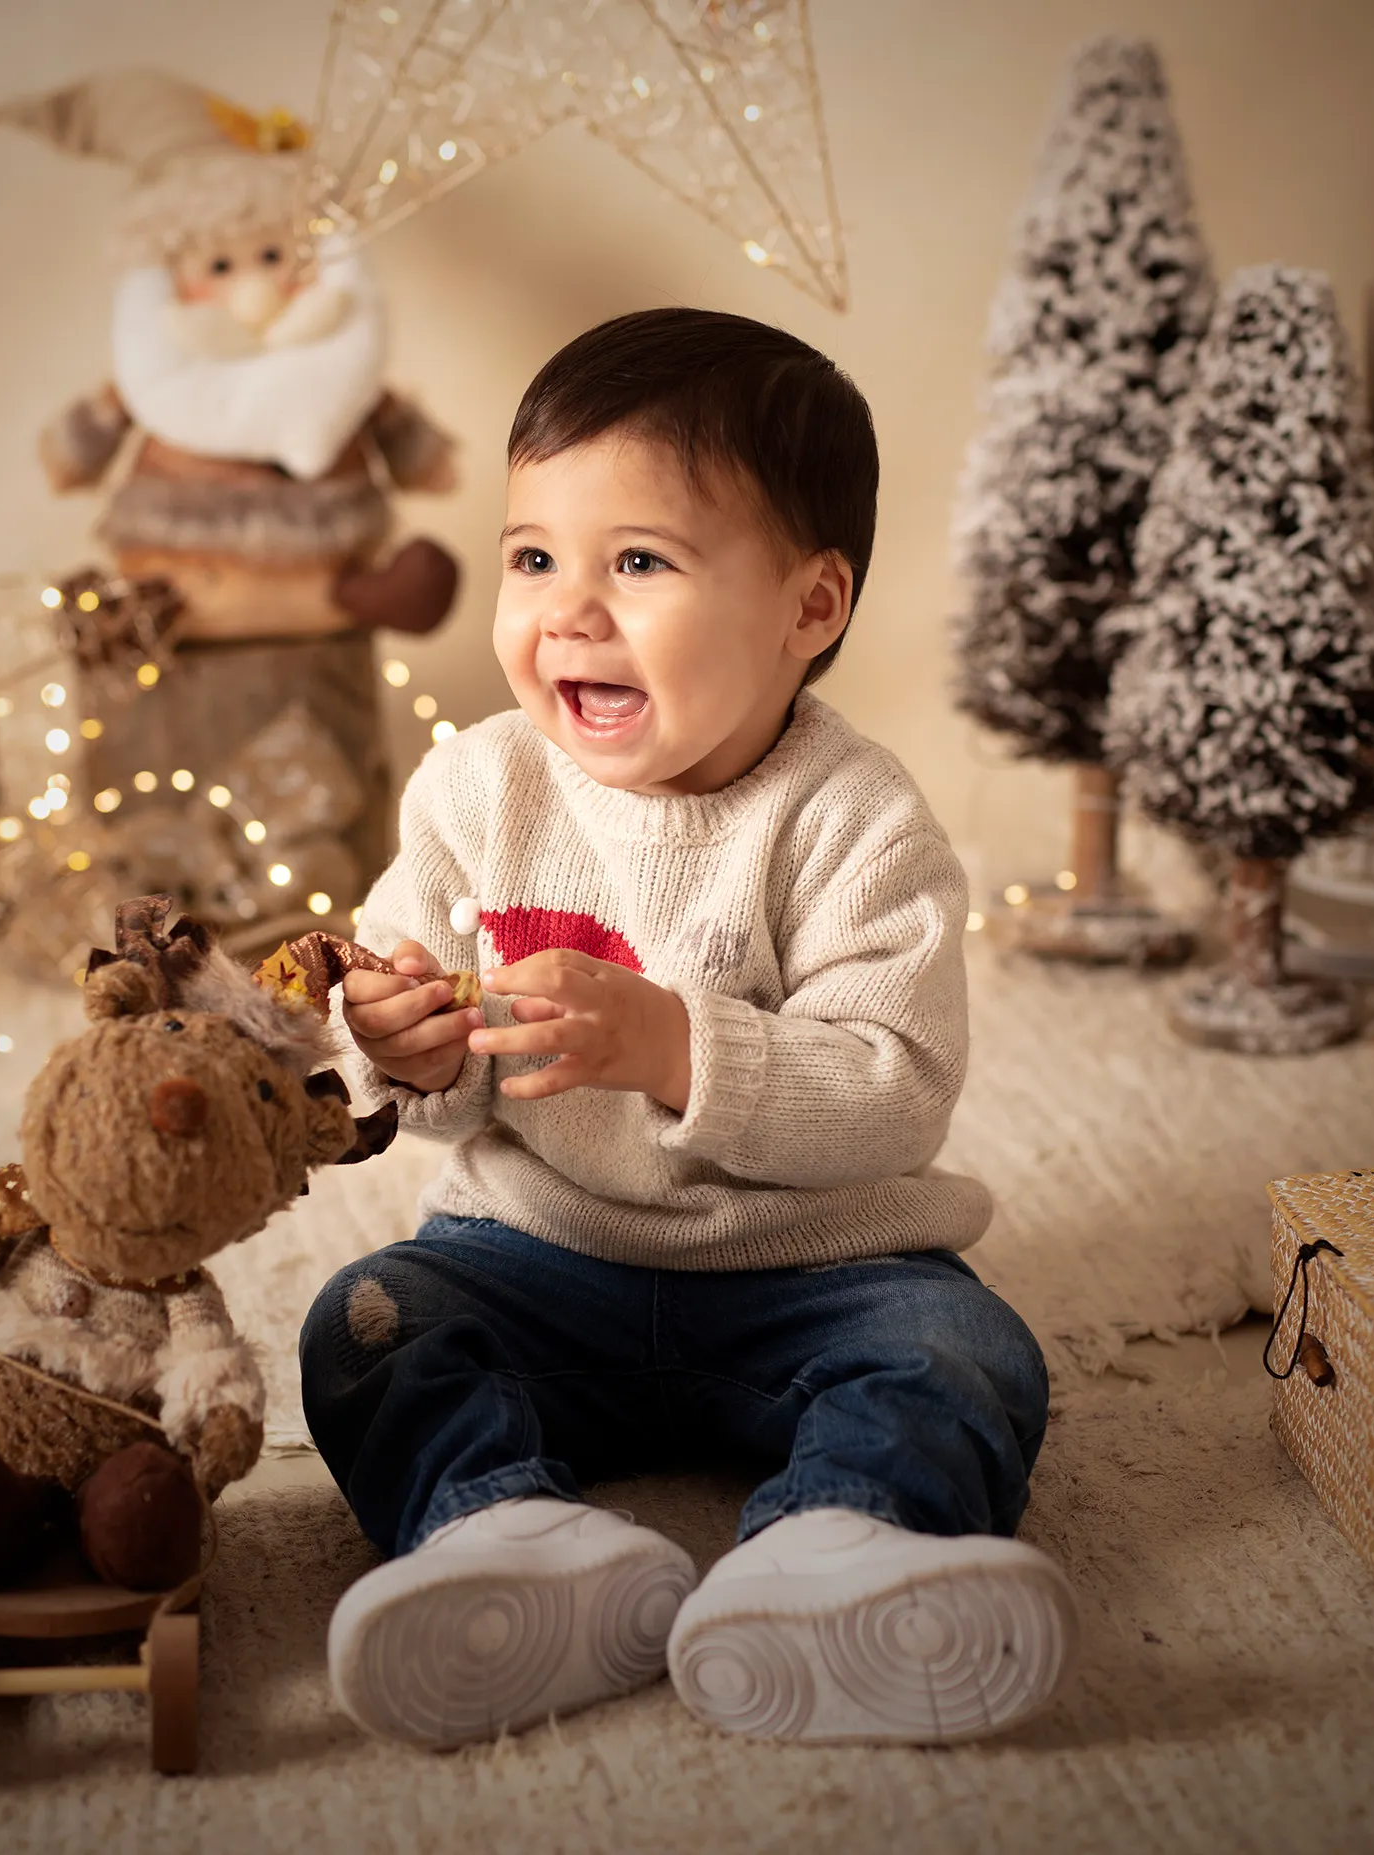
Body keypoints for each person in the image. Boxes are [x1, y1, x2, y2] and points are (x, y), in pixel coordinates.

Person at [300, 308, 1075, 1751]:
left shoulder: (857, 818)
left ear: (808, 606)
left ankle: (839, 1554)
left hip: (817, 1268)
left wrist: (673, 1046)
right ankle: (506, 1541)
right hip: (532, 1255)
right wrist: (400, 1048)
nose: (566, 611)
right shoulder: (478, 790)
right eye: (534, 556)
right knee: (368, 1329)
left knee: (968, 1355)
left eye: (637, 562)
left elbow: (895, 1088)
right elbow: (408, 1036)